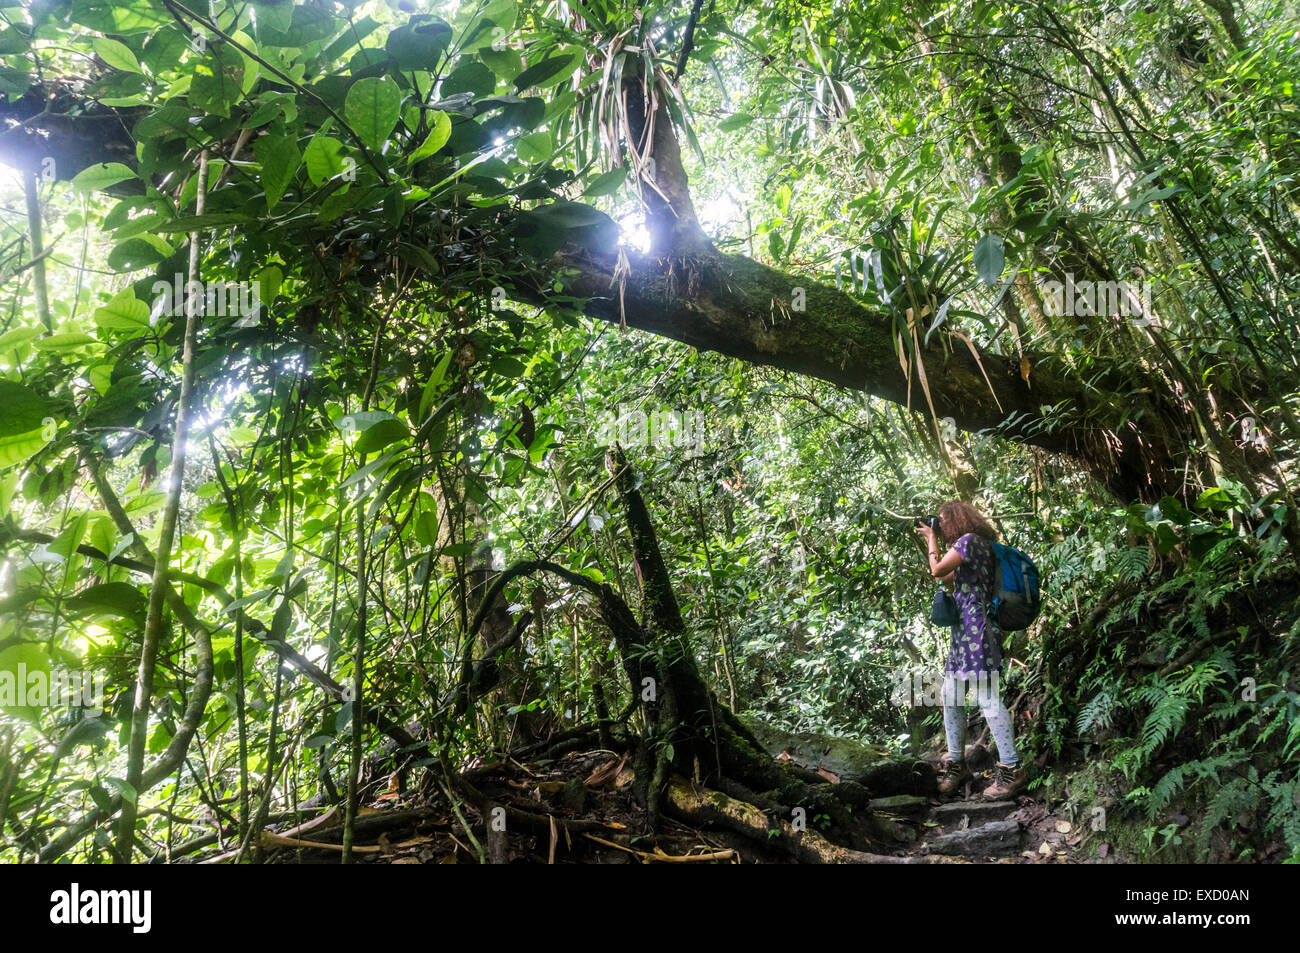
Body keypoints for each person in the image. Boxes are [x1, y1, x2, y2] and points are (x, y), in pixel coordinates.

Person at [915, 500, 1027, 799]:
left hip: (977, 631)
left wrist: (930, 539)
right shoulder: (976, 547)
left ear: (955, 520)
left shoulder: (969, 542)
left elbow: (936, 568)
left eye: (941, 521)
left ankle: (1012, 768)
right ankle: (957, 763)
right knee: (952, 697)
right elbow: (944, 577)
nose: (939, 525)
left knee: (987, 698)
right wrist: (933, 544)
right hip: (964, 632)